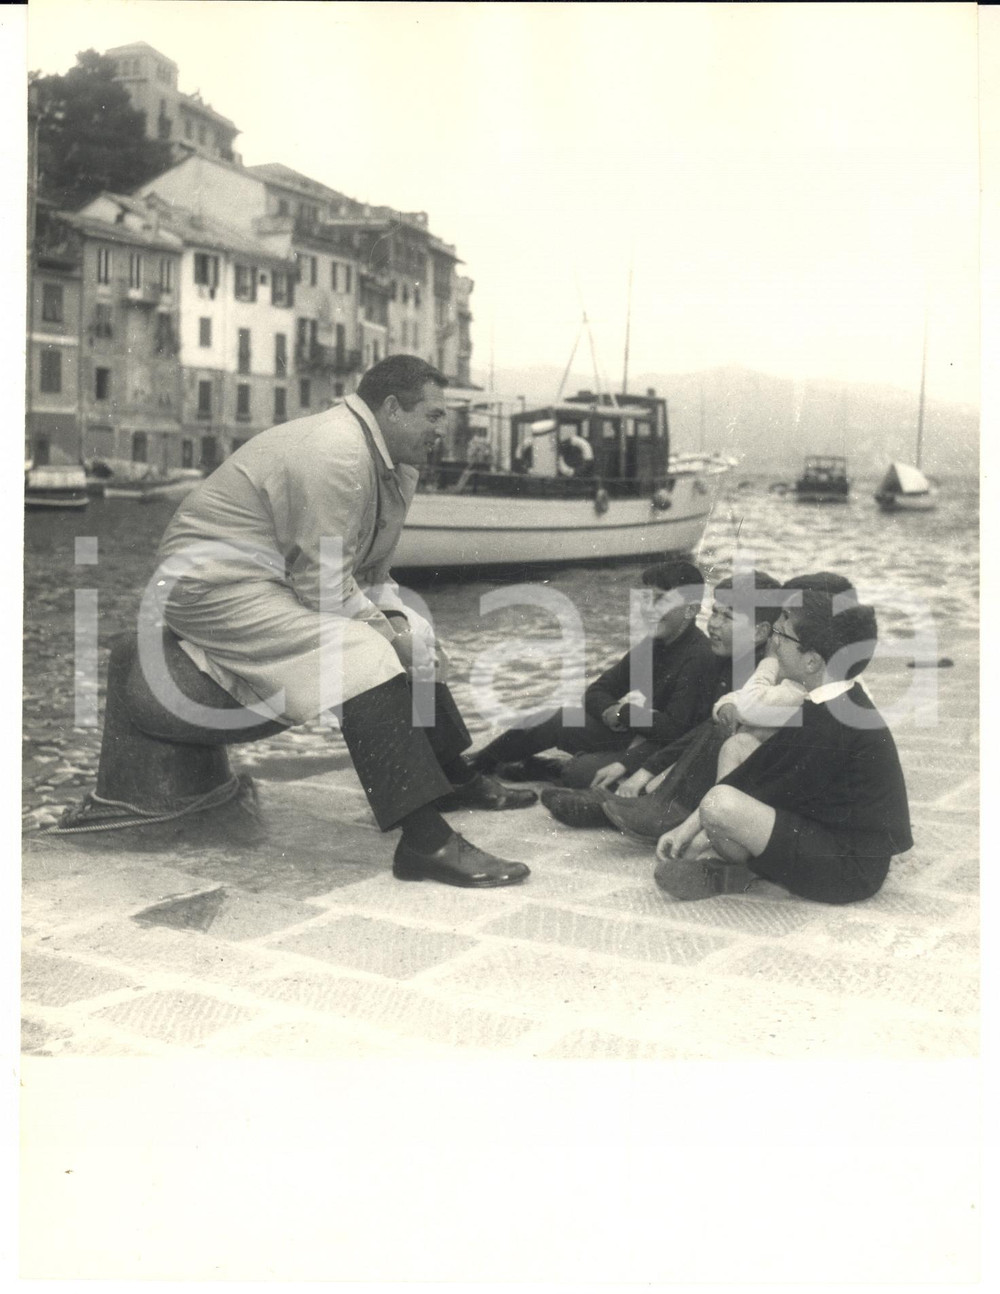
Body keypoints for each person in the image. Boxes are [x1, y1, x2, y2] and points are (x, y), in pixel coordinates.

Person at [153, 354, 536, 888]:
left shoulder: (396, 464)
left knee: (412, 629)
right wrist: (388, 636)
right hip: (211, 586)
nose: (442, 429)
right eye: (432, 415)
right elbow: (322, 588)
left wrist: (405, 625)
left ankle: (451, 773)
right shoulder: (337, 453)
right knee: (364, 652)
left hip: (278, 577)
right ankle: (425, 842)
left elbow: (371, 571)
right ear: (393, 408)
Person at [654, 585, 912, 904]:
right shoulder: (833, 700)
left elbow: (755, 785)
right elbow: (758, 768)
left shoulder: (831, 725)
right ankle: (741, 861)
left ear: (812, 662)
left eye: (782, 635)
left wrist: (694, 830)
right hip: (835, 839)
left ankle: (745, 869)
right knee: (738, 750)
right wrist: (686, 829)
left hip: (847, 871)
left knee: (718, 804)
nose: (774, 642)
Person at [539, 569, 783, 828]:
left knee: (603, 775)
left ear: (759, 632)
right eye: (715, 612)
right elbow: (687, 730)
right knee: (598, 767)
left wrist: (640, 768)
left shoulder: (762, 676)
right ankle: (615, 800)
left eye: (728, 617)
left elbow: (698, 732)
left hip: (741, 771)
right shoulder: (719, 661)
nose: (713, 623)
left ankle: (615, 808)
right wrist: (636, 764)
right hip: (688, 751)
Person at [469, 560, 718, 778]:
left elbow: (675, 730)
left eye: (661, 600)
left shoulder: (699, 657)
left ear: (691, 609)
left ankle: (541, 768)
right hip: (642, 736)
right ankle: (478, 764)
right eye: (646, 599)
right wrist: (611, 709)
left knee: (579, 774)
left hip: (666, 753)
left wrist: (624, 713)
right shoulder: (654, 645)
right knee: (556, 718)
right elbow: (597, 691)